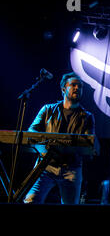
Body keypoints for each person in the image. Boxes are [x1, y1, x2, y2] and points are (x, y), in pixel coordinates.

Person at [23, 72, 95, 204]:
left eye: (80, 86)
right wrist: (45, 147)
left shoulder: (87, 116)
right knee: (30, 201)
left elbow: (88, 143)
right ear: (63, 89)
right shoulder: (47, 109)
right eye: (73, 85)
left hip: (71, 168)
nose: (77, 88)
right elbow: (31, 132)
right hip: (45, 165)